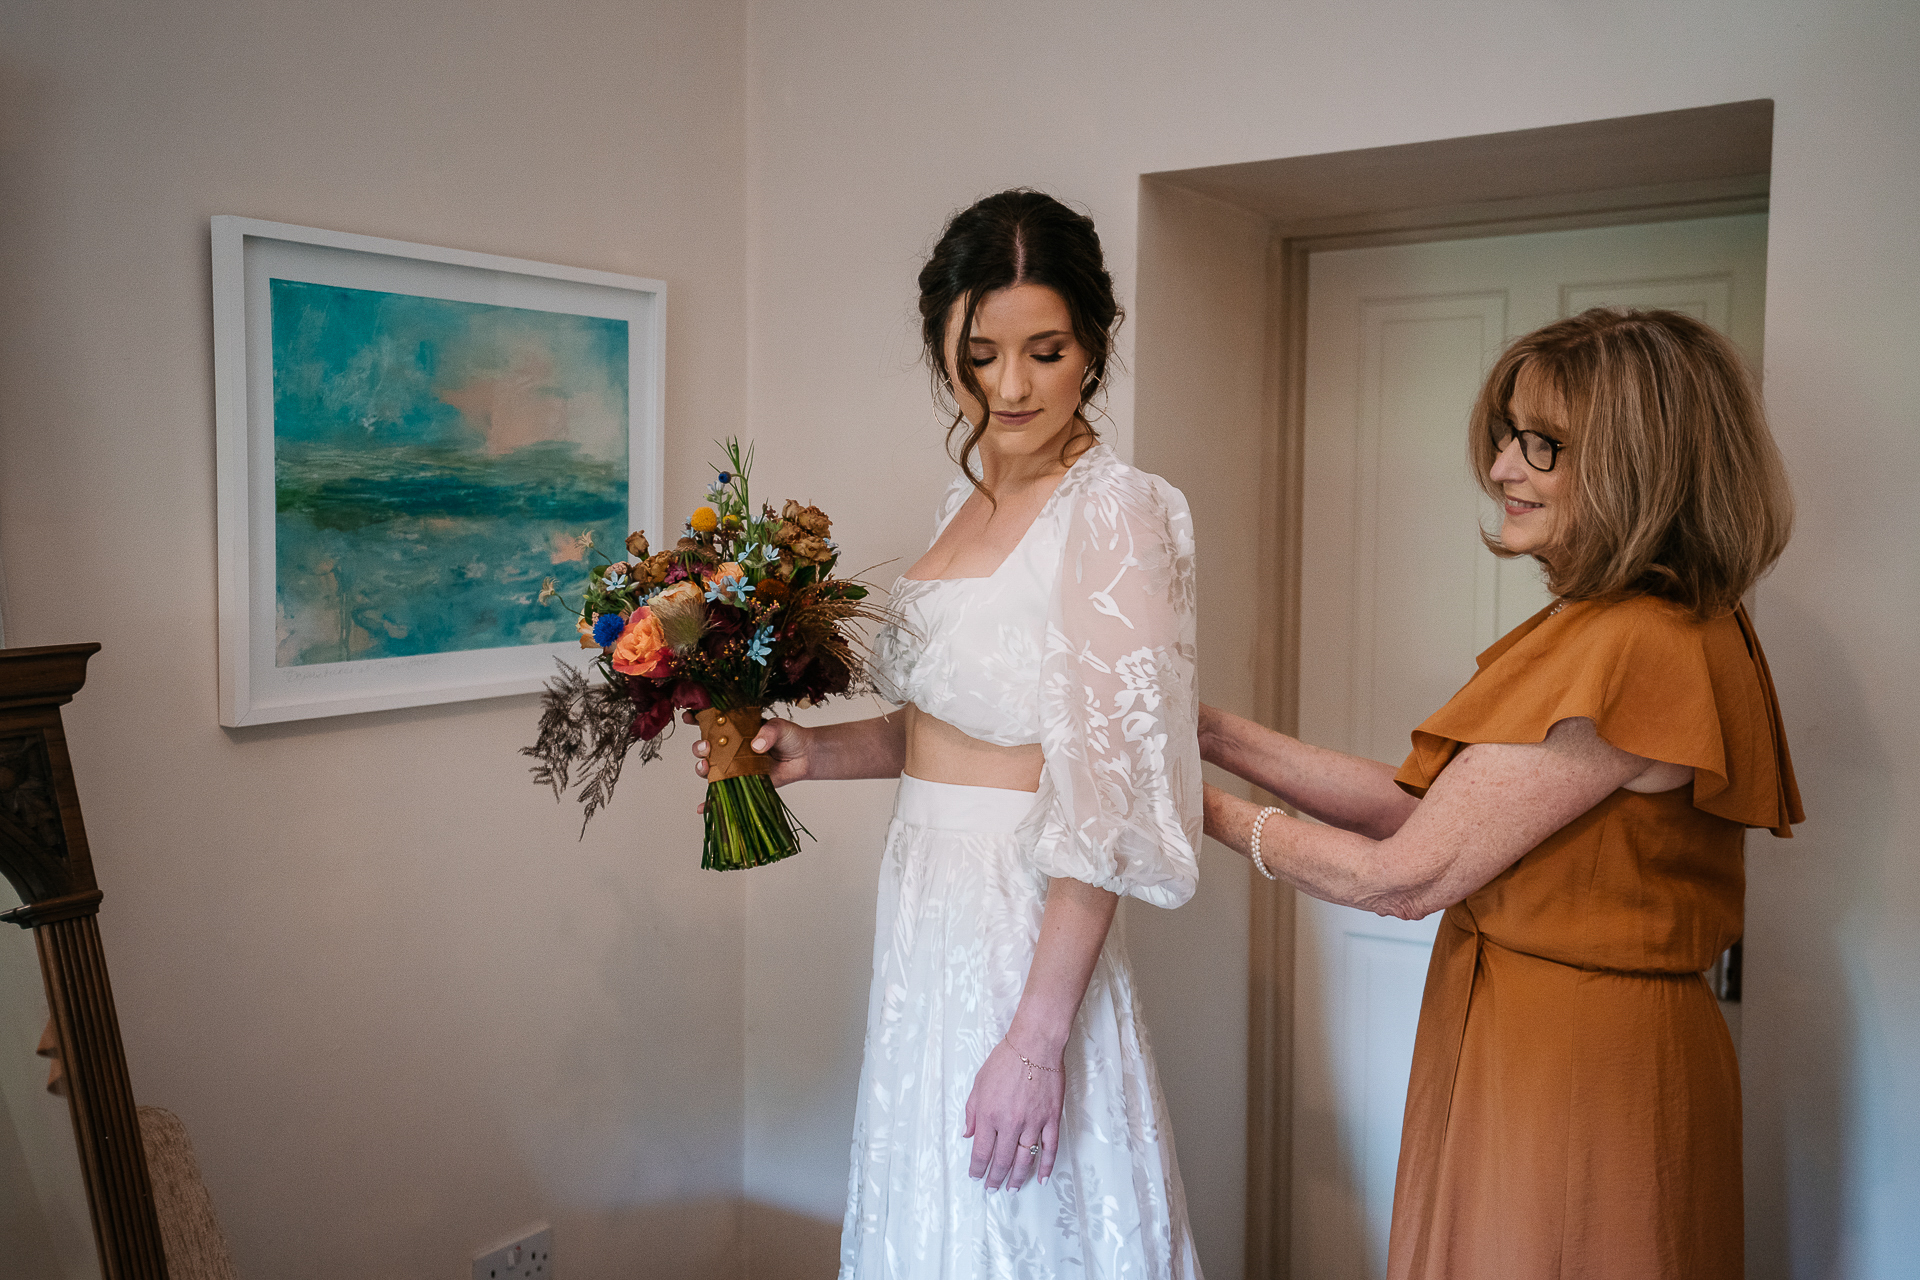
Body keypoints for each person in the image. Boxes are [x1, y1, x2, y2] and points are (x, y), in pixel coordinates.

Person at [1200, 307, 1801, 1280]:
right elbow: (1428, 811)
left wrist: (1181, 801)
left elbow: (1404, 871)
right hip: (1542, 1038)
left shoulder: (1641, 644)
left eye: (1543, 446)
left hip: (1576, 1066)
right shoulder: (1623, 624)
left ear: (1637, 466)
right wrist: (1210, 733)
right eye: (1509, 437)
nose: (1501, 471)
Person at [694, 190, 1205, 1277]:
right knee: (929, 1215)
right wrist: (814, 751)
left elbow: (1100, 796)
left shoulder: (1113, 509)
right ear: (945, 345)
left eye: (1046, 349)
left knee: (1020, 1219)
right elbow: (948, 725)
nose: (1011, 385)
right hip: (923, 900)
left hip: (1024, 919)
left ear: (1093, 347)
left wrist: (1037, 1037)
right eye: (981, 353)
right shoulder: (960, 501)